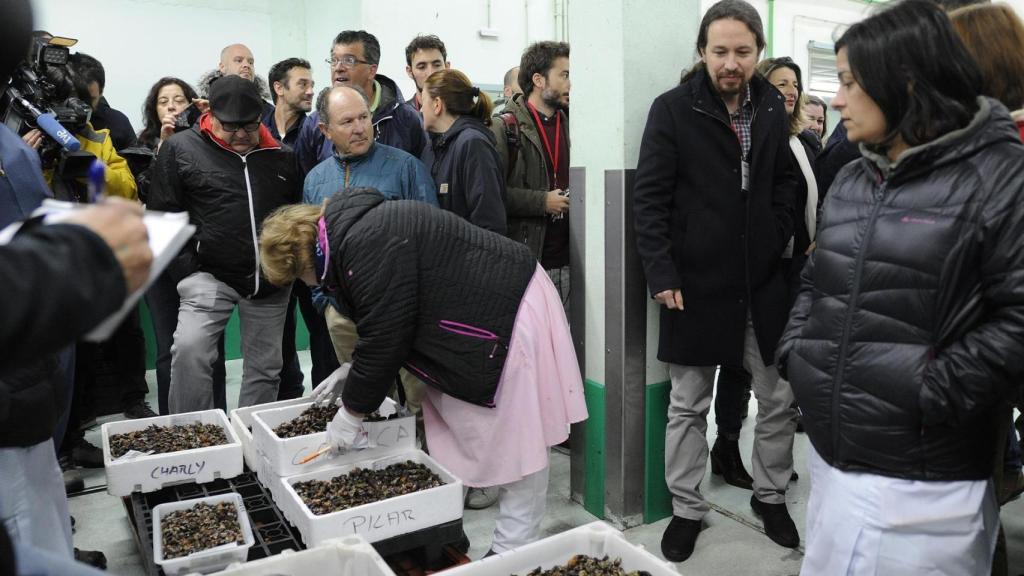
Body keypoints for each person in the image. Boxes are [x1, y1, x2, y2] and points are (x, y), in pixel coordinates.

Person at [777, 1, 1024, 573]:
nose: (834, 100)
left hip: (924, 483)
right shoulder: (856, 176)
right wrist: (801, 354)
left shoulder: (999, 176)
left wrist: (929, 389)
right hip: (835, 459)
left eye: (847, 82)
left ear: (905, 82)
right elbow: (817, 277)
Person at [258, 188, 588, 556]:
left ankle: (512, 552)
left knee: (516, 443)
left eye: (300, 278)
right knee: (463, 435)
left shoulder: (364, 243)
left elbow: (386, 334)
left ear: (303, 257)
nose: (308, 285)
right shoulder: (349, 235)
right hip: (478, 314)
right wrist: (355, 367)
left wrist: (350, 414)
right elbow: (389, 312)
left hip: (505, 313)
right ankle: (447, 533)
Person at [633, 0, 799, 561]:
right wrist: (661, 269)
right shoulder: (674, 109)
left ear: (758, 52)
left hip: (763, 280)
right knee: (687, 402)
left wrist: (776, 235)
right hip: (694, 281)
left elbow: (786, 184)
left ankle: (771, 496)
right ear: (702, 51)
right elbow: (650, 198)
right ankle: (687, 508)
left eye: (743, 51)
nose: (732, 62)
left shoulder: (773, 105)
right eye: (720, 51)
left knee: (776, 396)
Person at [149, 75, 300, 413]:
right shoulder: (181, 149)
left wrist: (285, 267)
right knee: (189, 352)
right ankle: (196, 440)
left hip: (270, 279)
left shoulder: (282, 156)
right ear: (210, 115)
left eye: (248, 126)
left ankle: (251, 443)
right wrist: (188, 273)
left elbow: (294, 215)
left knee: (265, 368)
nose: (240, 136)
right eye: (230, 128)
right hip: (208, 276)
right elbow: (163, 216)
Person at [136, 77, 229, 415]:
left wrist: (213, 126)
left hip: (201, 256)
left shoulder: (207, 141)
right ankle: (171, 428)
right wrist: (164, 148)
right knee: (167, 348)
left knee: (208, 345)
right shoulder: (143, 144)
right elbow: (146, 192)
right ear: (154, 108)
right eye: (164, 101)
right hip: (159, 259)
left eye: (179, 99)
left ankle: (217, 421)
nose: (173, 106)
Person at [491, 41, 571, 309]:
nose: (571, 83)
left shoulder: (576, 123)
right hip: (529, 263)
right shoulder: (504, 128)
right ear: (538, 79)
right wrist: (542, 202)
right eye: (565, 74)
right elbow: (493, 196)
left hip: (572, 263)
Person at [294, 30, 427, 175]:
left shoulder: (406, 119)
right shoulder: (316, 123)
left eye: (349, 61)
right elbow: (307, 184)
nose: (338, 68)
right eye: (334, 60)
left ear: (371, 70)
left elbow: (419, 177)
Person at [421, 69, 506, 233]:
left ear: (437, 104)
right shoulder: (431, 148)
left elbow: (489, 222)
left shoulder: (473, 145)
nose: (421, 110)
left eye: (423, 102)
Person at [68, 53, 136, 150]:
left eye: (90, 100)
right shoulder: (47, 117)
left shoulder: (118, 123)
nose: (82, 107)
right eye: (78, 99)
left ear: (101, 93)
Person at [263, 58, 314, 147]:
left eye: (312, 86)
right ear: (279, 88)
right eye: (303, 84)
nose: (311, 92)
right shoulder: (257, 130)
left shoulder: (313, 132)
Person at [405, 35, 450, 111]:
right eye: (422, 67)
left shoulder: (465, 112)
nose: (431, 73)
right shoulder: (400, 118)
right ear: (410, 71)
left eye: (437, 65)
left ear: (447, 67)